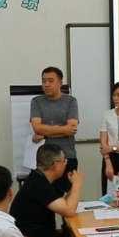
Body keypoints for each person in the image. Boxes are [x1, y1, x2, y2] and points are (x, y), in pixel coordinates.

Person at [9, 144, 86, 237]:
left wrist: (73, 185)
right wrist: (77, 184)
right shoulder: (38, 185)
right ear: (56, 165)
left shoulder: (40, 178)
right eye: (64, 161)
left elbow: (62, 202)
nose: (65, 165)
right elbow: (69, 210)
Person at [30, 66, 79, 194]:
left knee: (66, 197)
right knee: (45, 197)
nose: (46, 84)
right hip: (44, 160)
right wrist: (63, 129)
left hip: (67, 157)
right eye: (44, 81)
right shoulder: (36, 101)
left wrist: (45, 134)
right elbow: (37, 127)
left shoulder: (70, 101)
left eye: (51, 81)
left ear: (60, 83)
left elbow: (71, 129)